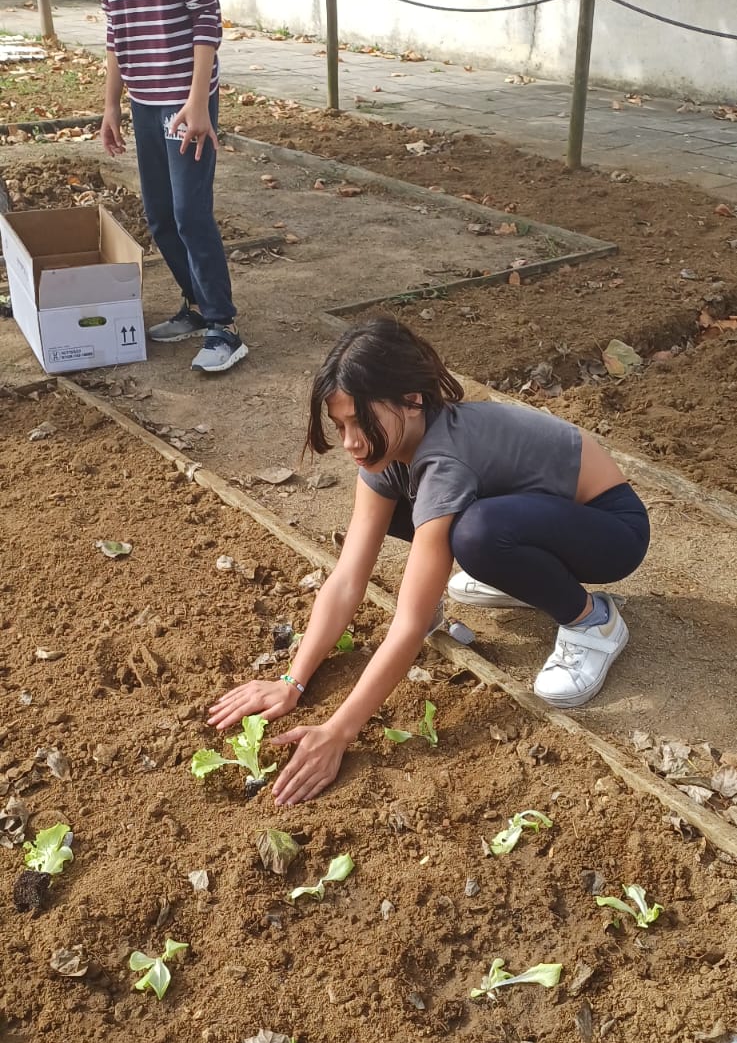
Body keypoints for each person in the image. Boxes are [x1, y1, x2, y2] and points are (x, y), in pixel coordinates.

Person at [209, 318, 650, 805]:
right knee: (459, 527)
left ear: (412, 399)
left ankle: (592, 620)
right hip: (539, 517)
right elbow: (348, 578)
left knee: (477, 534)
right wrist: (292, 681)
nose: (352, 442)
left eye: (362, 421)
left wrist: (339, 730)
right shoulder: (389, 452)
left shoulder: (444, 461)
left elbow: (411, 621)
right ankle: (518, 573)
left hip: (611, 532)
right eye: (341, 426)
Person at [88, 0, 247, 374]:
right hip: (143, 99)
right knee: (158, 217)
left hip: (185, 100)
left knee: (189, 213)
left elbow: (206, 12)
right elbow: (116, 21)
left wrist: (198, 101)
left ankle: (225, 326)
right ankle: (198, 306)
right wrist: (111, 104)